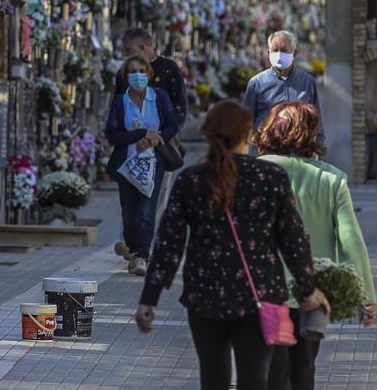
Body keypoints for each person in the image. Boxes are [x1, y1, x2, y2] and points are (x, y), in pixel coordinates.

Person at [136, 100, 329, 390]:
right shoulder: (269, 178)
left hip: (205, 296)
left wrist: (149, 299)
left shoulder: (192, 180)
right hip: (260, 294)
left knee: (213, 378)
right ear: (248, 135)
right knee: (255, 380)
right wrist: (308, 289)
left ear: (207, 133)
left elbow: (168, 244)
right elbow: (292, 239)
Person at [255, 101, 377, 390]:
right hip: (313, 293)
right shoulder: (331, 179)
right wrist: (367, 296)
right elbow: (352, 241)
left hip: (262, 290)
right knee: (304, 368)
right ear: (312, 134)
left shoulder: (254, 172)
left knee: (270, 371)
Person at [113, 28, 189, 262]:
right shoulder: (123, 73)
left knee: (155, 195)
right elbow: (117, 105)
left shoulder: (169, 69)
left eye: (129, 50)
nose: (126, 55)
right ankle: (131, 241)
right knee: (130, 194)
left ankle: (144, 244)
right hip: (131, 144)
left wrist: (163, 134)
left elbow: (180, 106)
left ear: (144, 48)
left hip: (161, 144)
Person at [105, 55, 180, 276]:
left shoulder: (159, 97)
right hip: (126, 164)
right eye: (132, 71)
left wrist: (156, 138)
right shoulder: (121, 101)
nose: (137, 75)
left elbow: (172, 126)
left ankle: (142, 257)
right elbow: (112, 133)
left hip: (153, 164)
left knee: (147, 212)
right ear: (126, 76)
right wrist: (139, 135)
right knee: (130, 216)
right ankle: (134, 248)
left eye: (141, 71)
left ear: (148, 74)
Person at [242, 30, 321, 140]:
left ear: (294, 53)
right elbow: (245, 121)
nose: (279, 54)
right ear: (269, 53)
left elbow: (317, 122)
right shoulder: (256, 83)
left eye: (284, 50)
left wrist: (318, 147)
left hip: (298, 152)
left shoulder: (307, 82)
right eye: (275, 50)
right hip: (265, 153)